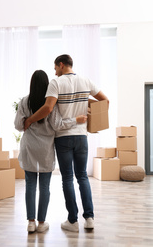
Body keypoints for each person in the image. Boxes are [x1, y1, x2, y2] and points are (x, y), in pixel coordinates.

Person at [24, 55, 109, 232]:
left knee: (68, 178)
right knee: (83, 177)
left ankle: (73, 221)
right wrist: (84, 101)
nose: (54, 71)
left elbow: (48, 108)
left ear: (61, 65)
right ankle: (89, 218)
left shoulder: (56, 83)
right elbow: (105, 101)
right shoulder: (86, 81)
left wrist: (30, 120)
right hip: (81, 137)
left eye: (55, 68)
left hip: (63, 137)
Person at [14, 70, 87, 234]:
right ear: (47, 84)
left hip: (29, 147)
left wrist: (26, 121)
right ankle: (41, 223)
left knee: (30, 185)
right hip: (46, 148)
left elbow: (19, 126)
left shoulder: (25, 102)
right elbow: (57, 125)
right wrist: (76, 120)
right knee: (45, 187)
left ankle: (30, 223)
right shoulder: (51, 104)